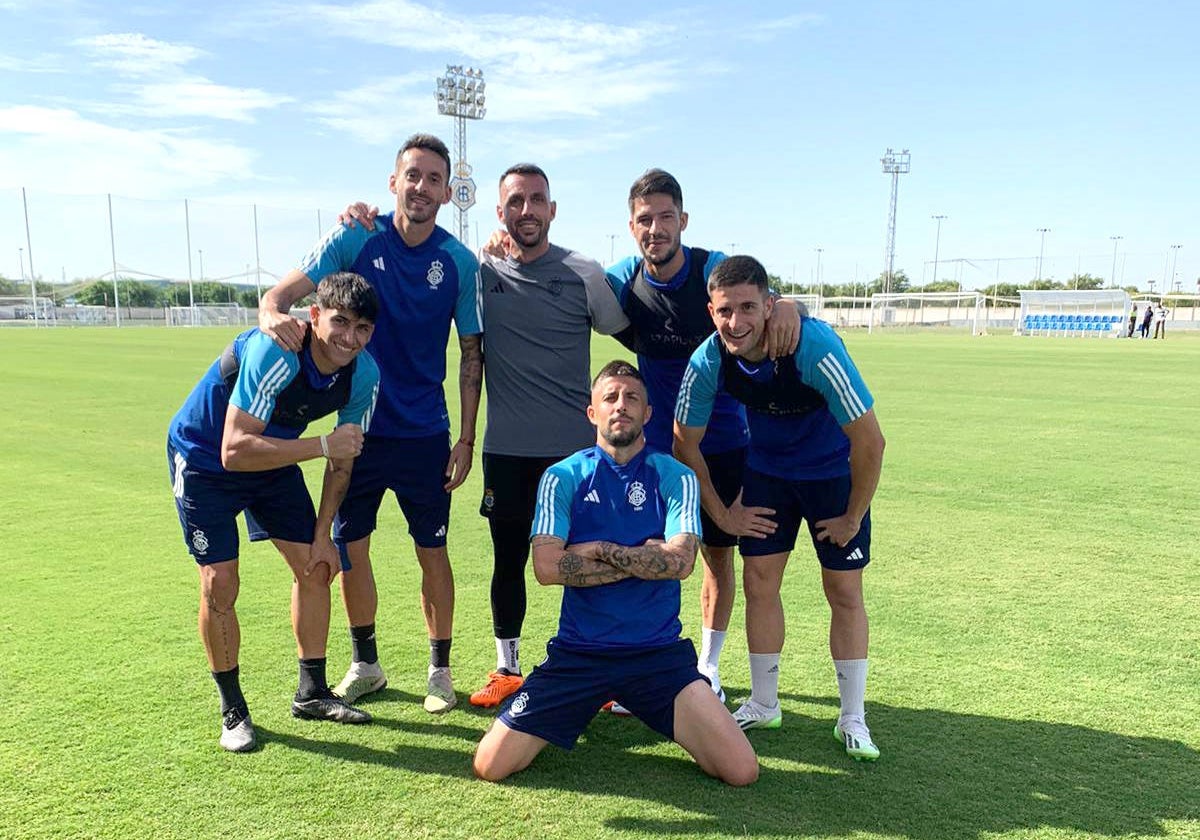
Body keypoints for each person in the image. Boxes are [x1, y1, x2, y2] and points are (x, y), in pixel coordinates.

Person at [258, 134, 483, 715]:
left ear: (448, 191)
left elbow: (472, 354)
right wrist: (269, 311)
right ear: (394, 181)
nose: (422, 188)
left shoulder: (457, 261)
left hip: (426, 434)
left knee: (432, 552)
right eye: (413, 176)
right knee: (350, 547)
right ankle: (367, 663)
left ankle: (439, 670)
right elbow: (286, 290)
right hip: (356, 430)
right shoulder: (357, 234)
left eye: (435, 179)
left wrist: (464, 437)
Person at [472, 361, 758, 786]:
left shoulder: (676, 477)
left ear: (648, 413)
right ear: (592, 413)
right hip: (579, 654)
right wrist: (644, 558)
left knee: (741, 770)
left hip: (658, 655)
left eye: (632, 398)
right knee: (490, 764)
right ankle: (577, 707)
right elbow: (548, 568)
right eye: (610, 397)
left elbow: (680, 563)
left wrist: (598, 550)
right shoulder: (561, 477)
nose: (620, 406)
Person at [673, 255, 886, 762]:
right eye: (725, 310)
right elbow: (684, 443)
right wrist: (723, 516)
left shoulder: (813, 346)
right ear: (711, 311)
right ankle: (765, 702)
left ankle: (852, 716)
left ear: (770, 306)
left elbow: (871, 443)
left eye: (749, 307)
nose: (736, 321)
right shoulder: (708, 359)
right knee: (759, 584)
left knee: (843, 590)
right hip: (767, 475)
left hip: (833, 475)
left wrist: (853, 516)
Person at [605, 169, 799, 703]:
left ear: (683, 220)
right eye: (645, 219)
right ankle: (635, 663)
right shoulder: (623, 277)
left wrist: (784, 303)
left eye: (666, 217)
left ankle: (706, 668)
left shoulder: (711, 269)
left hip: (725, 444)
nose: (656, 229)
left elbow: (766, 297)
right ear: (632, 226)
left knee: (717, 558)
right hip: (657, 449)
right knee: (642, 553)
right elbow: (577, 282)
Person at [167, 272, 380, 752]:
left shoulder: (364, 375)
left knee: (318, 565)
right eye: (340, 322)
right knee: (220, 583)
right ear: (314, 315)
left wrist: (324, 533)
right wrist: (322, 444)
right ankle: (233, 708)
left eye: (362, 328)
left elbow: (342, 464)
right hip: (206, 458)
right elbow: (233, 450)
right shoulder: (277, 350)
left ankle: (312, 692)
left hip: (274, 457)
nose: (350, 337)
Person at [468, 164, 631, 708]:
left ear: (552, 209)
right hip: (508, 451)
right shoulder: (482, 267)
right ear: (500, 212)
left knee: (587, 557)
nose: (527, 211)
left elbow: (629, 331)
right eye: (516, 202)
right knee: (508, 558)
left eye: (537, 200)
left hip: (575, 455)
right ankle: (506, 667)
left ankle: (599, 667)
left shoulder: (584, 270)